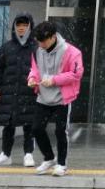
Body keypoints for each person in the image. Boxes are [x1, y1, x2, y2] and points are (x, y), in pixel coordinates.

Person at [27, 21, 84, 177]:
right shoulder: (37, 51)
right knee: (36, 129)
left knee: (60, 131)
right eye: (38, 41)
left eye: (43, 41)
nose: (41, 45)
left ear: (53, 37)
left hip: (62, 98)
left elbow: (76, 74)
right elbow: (34, 69)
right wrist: (32, 78)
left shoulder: (72, 52)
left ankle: (62, 164)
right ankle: (49, 158)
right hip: (43, 97)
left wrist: (54, 80)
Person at [0, 13, 38, 168]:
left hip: (29, 93)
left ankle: (28, 154)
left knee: (29, 125)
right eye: (19, 25)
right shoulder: (6, 47)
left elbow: (42, 69)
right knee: (8, 125)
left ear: (30, 27)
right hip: (9, 92)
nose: (21, 28)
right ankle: (5, 154)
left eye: (25, 25)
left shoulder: (36, 48)